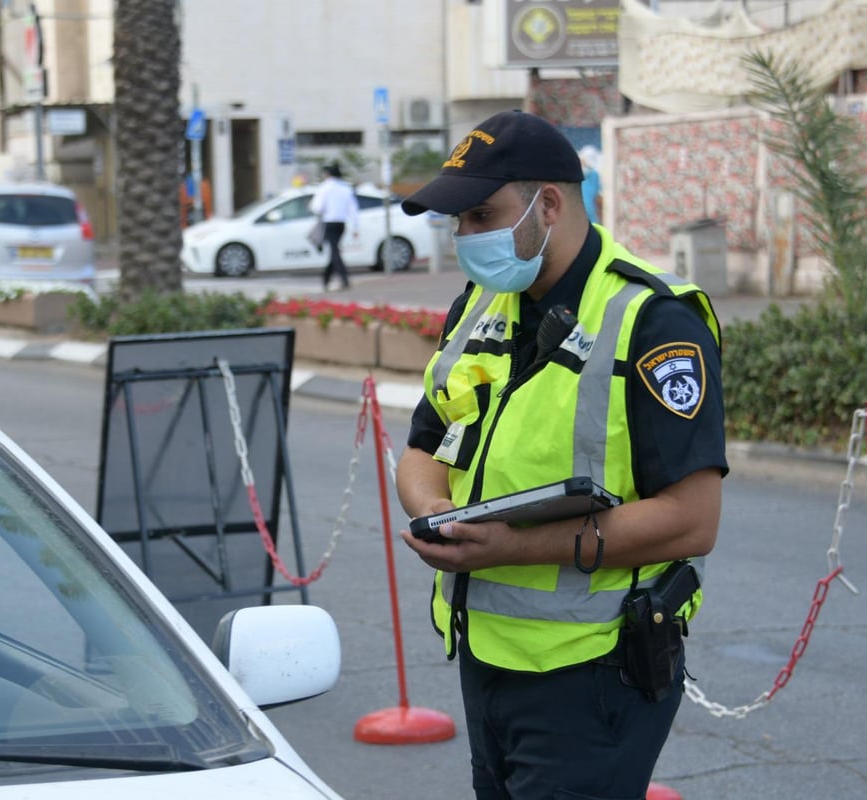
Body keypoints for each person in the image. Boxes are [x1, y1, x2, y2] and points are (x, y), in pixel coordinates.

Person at [394, 110, 727, 799]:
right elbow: (424, 446)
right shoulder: (483, 305)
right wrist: (434, 513)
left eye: (483, 214)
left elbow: (693, 522)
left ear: (548, 203)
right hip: (485, 658)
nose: (466, 237)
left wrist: (507, 547)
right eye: (458, 222)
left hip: (596, 675)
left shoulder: (655, 322)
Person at [309, 162, 359, 291]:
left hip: (329, 223)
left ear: (327, 174)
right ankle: (326, 278)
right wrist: (355, 227)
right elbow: (353, 209)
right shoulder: (345, 188)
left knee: (334, 251)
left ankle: (343, 278)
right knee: (334, 250)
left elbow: (317, 207)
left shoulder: (324, 188)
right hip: (341, 224)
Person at [578, 144, 603, 225]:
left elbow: (598, 198)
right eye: (584, 164)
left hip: (592, 219)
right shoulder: (574, 175)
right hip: (577, 217)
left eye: (588, 166)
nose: (586, 168)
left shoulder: (594, 175)